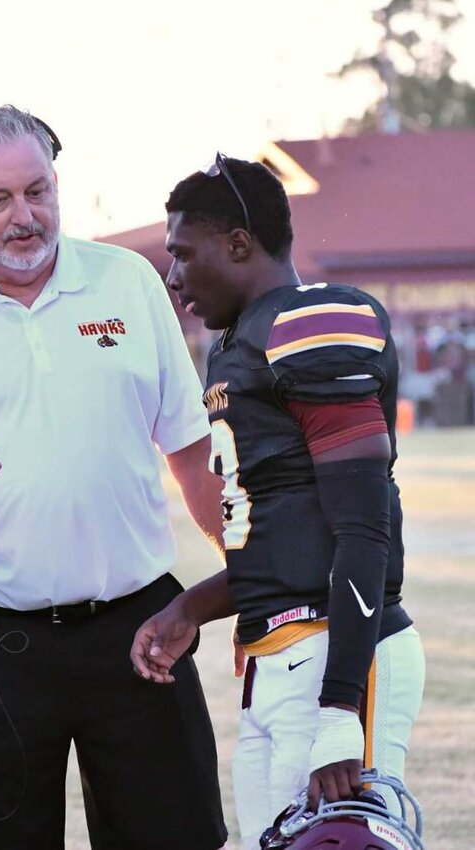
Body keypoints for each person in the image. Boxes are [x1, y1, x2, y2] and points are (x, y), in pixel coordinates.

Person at [0, 105, 228, 850]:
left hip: (141, 633)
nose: (24, 216)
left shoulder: (128, 282)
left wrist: (255, 574)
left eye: (38, 191)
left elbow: (192, 455)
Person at [130, 155, 425, 850]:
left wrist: (338, 710)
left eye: (182, 254)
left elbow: (363, 527)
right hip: (279, 656)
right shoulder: (240, 346)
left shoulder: (312, 322)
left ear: (238, 243)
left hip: (336, 656)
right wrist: (189, 609)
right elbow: (287, 534)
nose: (173, 277)